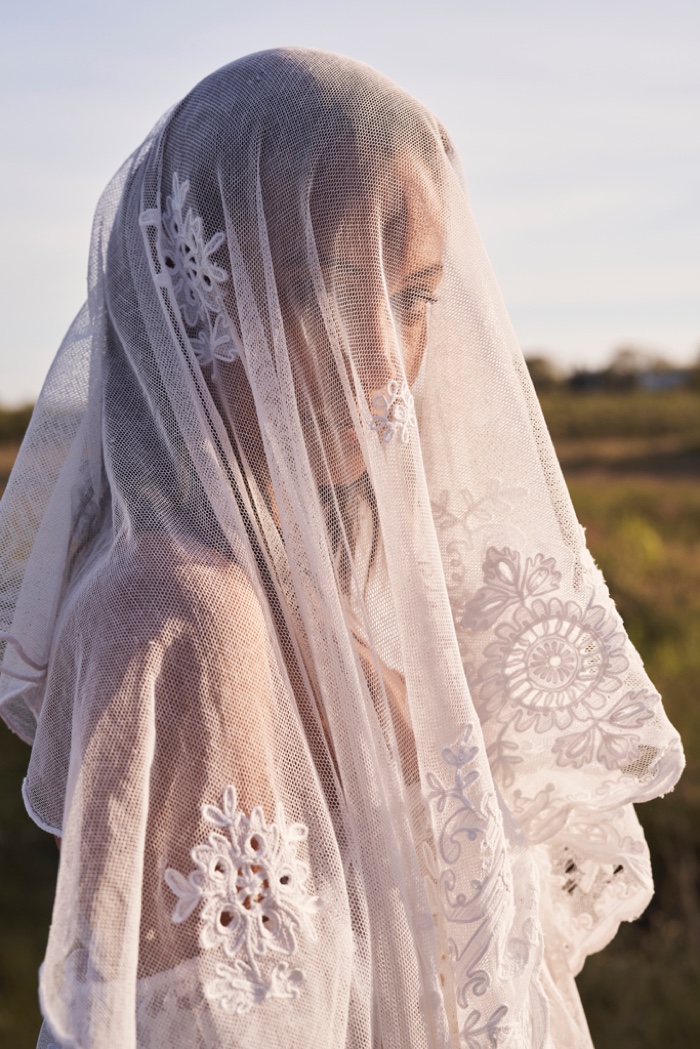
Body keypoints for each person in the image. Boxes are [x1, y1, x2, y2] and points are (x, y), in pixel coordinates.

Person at [0, 47, 684, 1049]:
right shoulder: (181, 614)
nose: (382, 360)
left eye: (413, 300)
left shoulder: (313, 583)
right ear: (186, 290)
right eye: (318, 285)